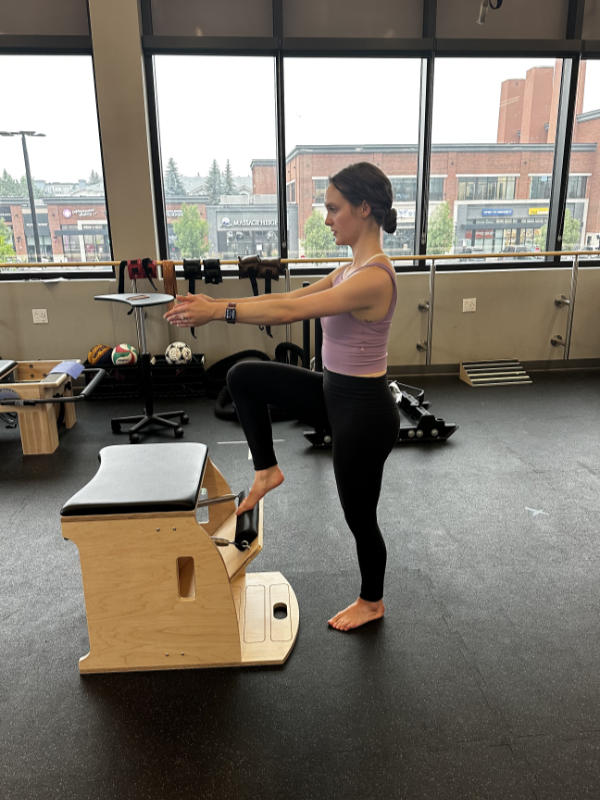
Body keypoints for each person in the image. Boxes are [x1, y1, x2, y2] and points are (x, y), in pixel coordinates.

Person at [164, 161, 400, 632]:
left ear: (364, 208)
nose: (327, 218)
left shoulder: (374, 277)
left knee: (359, 516)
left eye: (334, 209)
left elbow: (293, 310)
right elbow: (287, 298)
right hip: (334, 392)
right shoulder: (348, 269)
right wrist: (216, 307)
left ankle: (372, 601)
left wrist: (218, 311)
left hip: (365, 412)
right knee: (245, 377)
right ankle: (267, 470)